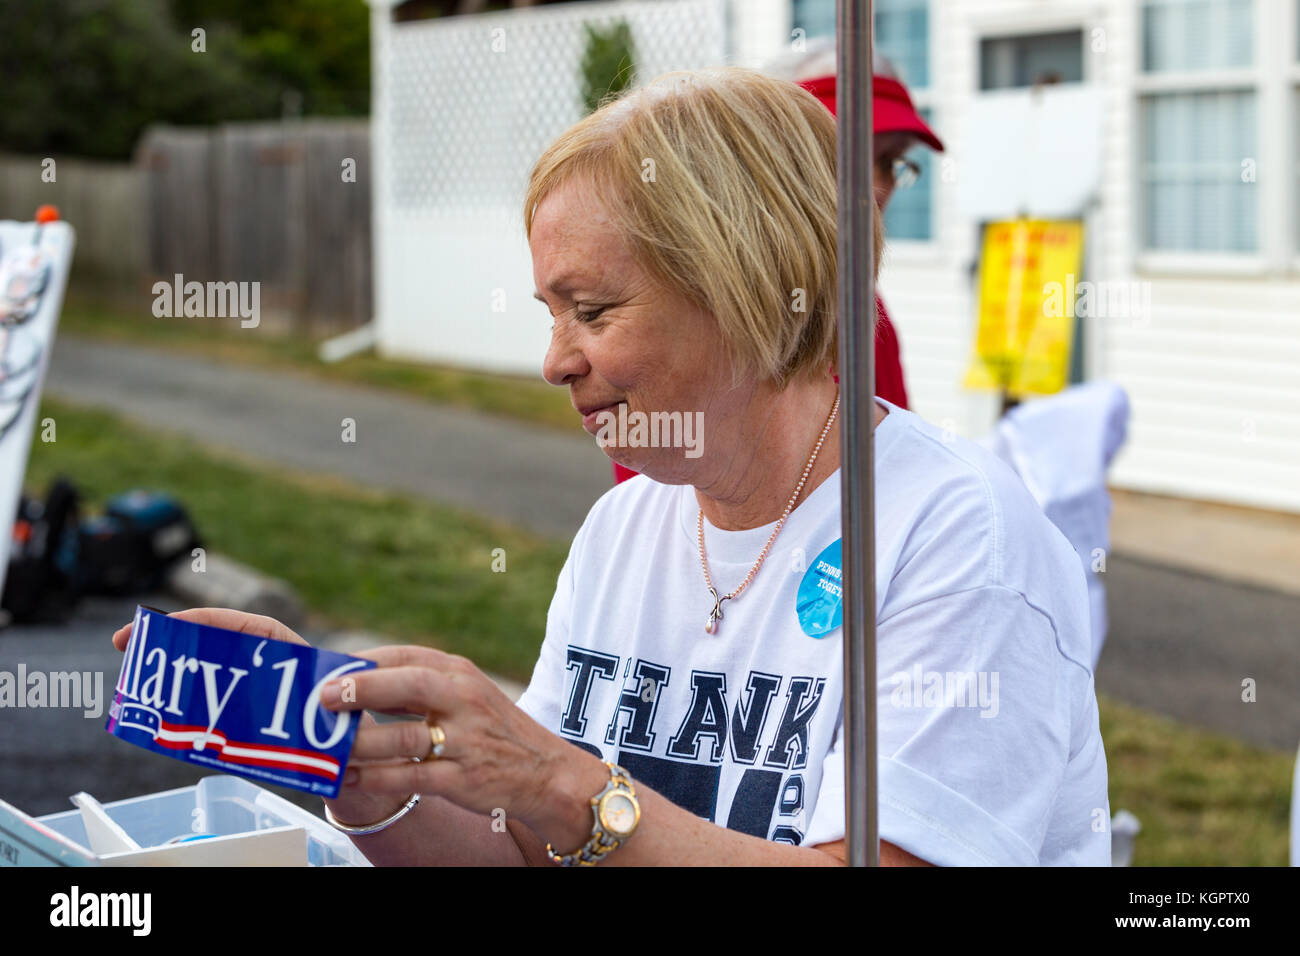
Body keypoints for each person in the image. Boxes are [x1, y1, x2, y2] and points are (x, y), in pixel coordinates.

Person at [112, 67, 1109, 866]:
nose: (555, 360)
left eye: (591, 310)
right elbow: (527, 845)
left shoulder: (957, 535)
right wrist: (357, 765)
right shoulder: (629, 526)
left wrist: (555, 778)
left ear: (746, 289)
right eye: (552, 315)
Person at [609, 42, 942, 486]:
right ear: (765, 165)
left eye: (888, 161)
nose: (876, 187)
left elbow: (900, 466)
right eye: (842, 154)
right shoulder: (690, 308)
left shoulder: (864, 310)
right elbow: (657, 513)